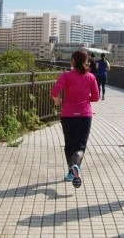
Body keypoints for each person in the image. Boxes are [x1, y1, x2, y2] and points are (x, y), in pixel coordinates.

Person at [51, 50, 100, 188]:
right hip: (85, 115)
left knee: (69, 144)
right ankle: (76, 166)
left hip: (67, 115)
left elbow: (54, 91)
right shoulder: (90, 77)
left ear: (72, 60)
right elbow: (96, 97)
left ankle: (71, 172)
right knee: (80, 146)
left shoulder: (66, 75)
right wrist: (86, 99)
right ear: (86, 61)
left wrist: (57, 99)